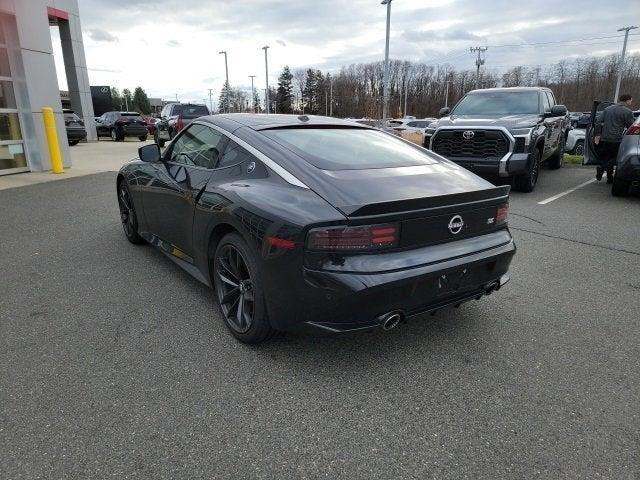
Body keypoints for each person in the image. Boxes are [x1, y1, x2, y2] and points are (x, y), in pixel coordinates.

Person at [596, 93, 635, 183]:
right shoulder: (627, 112)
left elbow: (598, 122)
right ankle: (602, 168)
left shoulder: (607, 109)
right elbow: (631, 126)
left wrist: (598, 134)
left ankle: (609, 178)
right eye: (631, 100)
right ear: (628, 100)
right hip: (617, 139)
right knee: (616, 158)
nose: (631, 102)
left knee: (608, 157)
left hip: (605, 138)